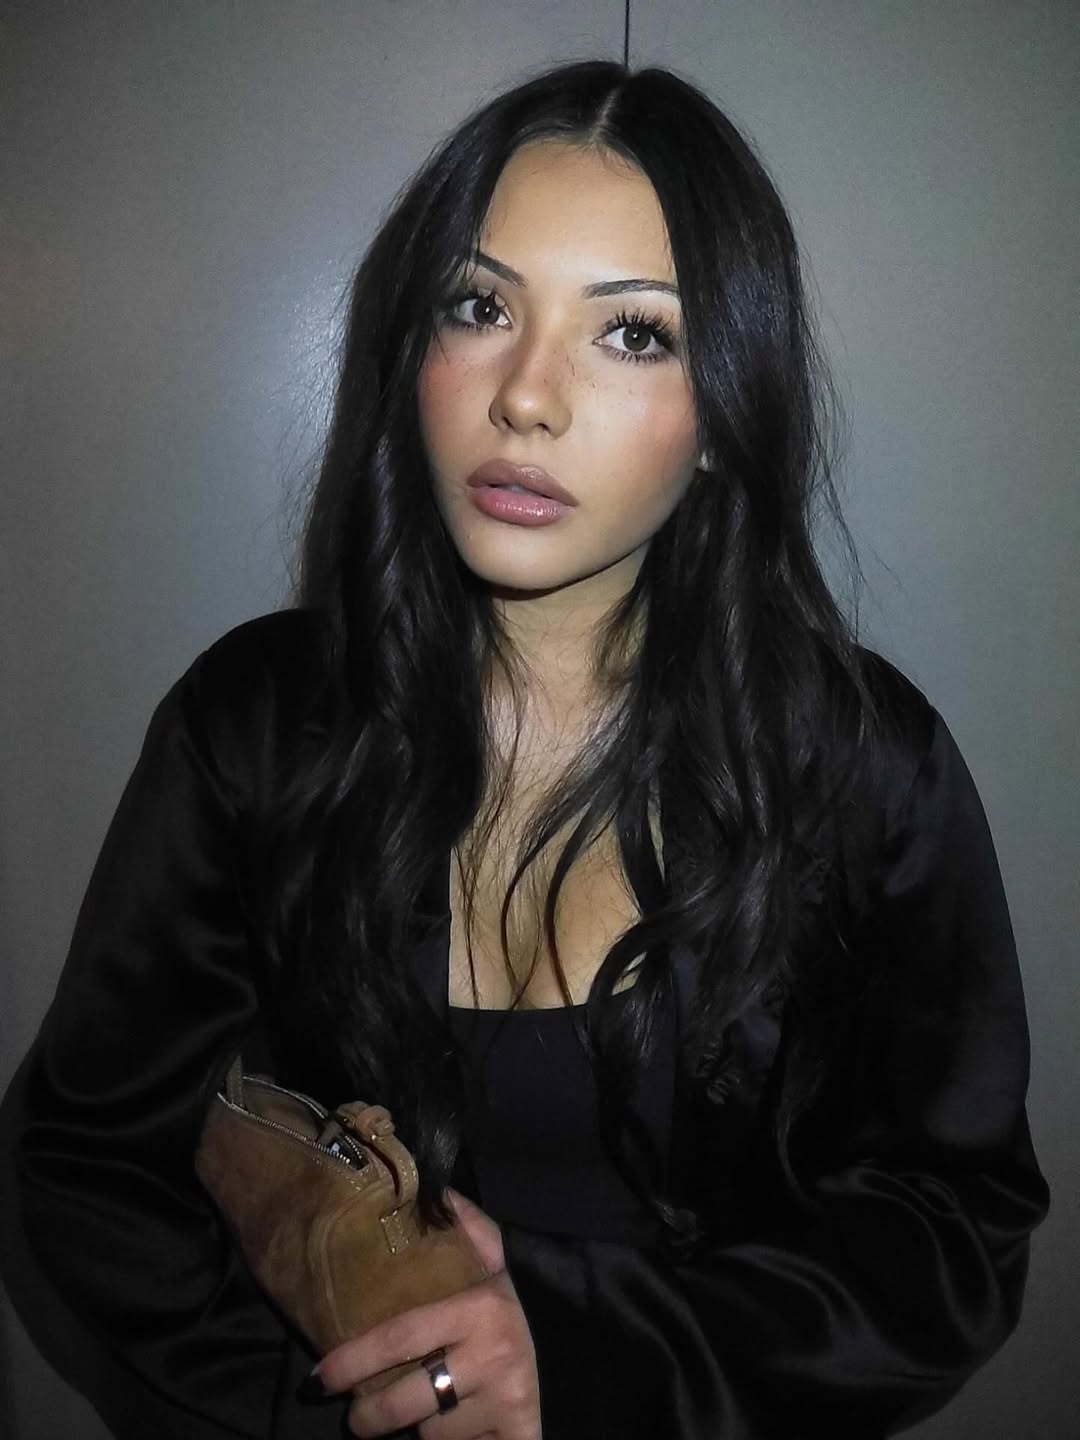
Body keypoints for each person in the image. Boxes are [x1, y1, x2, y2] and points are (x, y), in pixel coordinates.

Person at [0, 58, 1049, 1440]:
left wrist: (580, 1359)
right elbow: (88, 1166)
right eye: (482, 307)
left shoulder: (860, 769)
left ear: (727, 414)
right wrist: (352, 1413)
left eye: (634, 334)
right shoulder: (254, 728)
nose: (527, 397)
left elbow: (949, 1224)